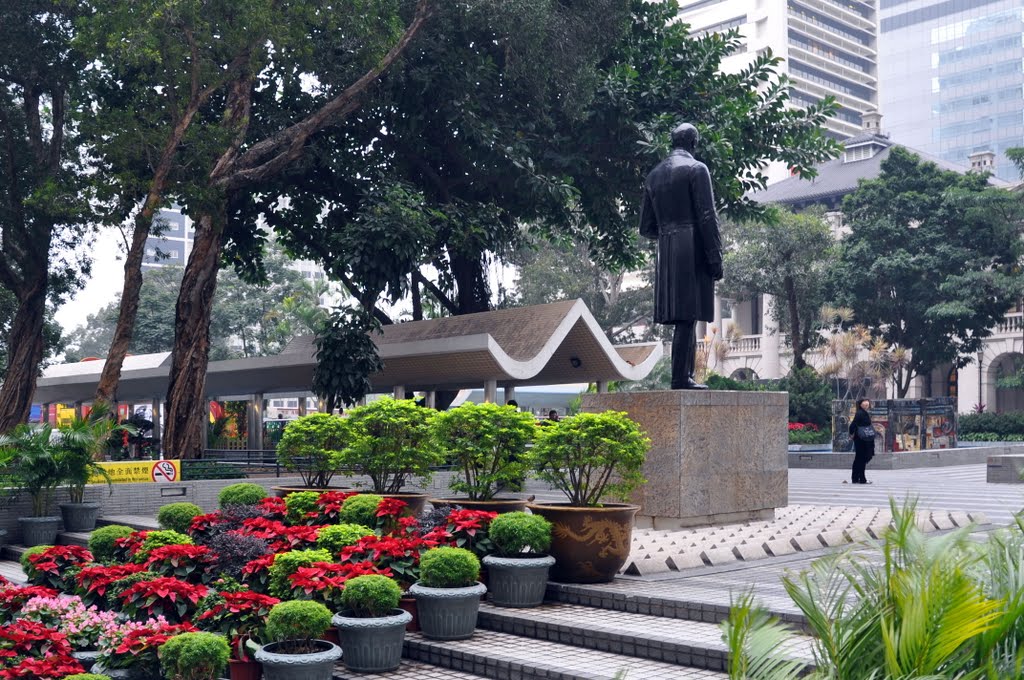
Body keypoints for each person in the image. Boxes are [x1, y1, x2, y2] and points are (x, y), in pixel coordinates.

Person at [639, 122, 724, 390]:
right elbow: (707, 216)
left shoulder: (653, 175)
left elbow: (646, 227)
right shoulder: (697, 169)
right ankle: (680, 378)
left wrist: (668, 231)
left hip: (666, 249)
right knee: (688, 316)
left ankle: (684, 376)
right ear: (693, 144)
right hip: (691, 246)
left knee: (683, 318)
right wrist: (715, 255)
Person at [848, 398, 875, 484]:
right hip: (862, 440)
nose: (867, 406)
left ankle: (856, 478)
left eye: (868, 405)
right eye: (865, 405)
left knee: (859, 459)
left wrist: (852, 433)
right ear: (861, 405)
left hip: (861, 439)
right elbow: (853, 424)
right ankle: (861, 479)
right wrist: (851, 433)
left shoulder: (862, 413)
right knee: (861, 459)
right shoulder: (860, 413)